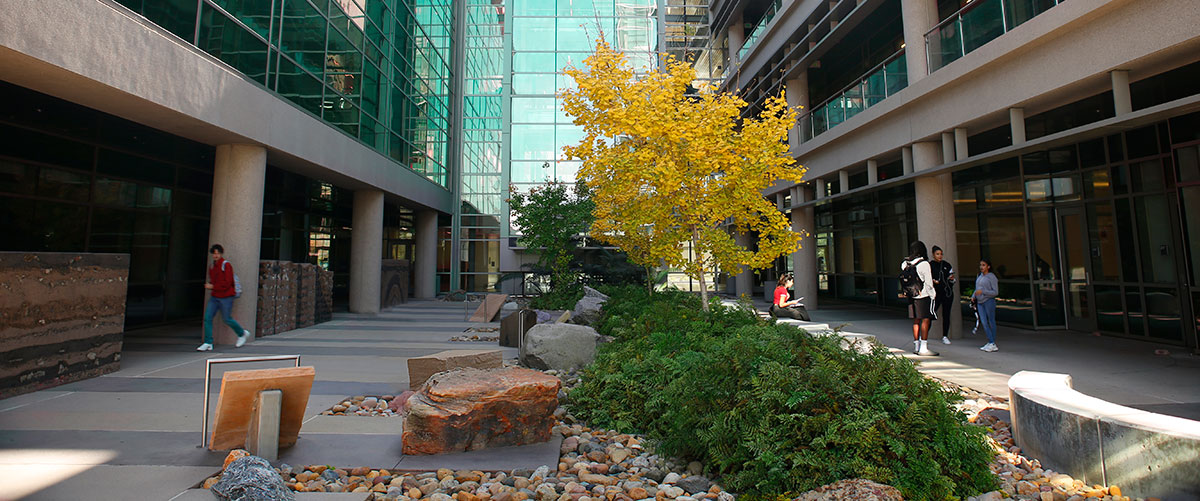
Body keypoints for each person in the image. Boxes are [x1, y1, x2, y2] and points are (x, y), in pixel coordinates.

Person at [197, 244, 251, 351]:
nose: (216, 255)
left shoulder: (226, 265)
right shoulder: (212, 266)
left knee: (227, 318)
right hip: (215, 296)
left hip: (226, 296)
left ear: (221, 254)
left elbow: (227, 283)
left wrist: (212, 286)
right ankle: (208, 342)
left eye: (218, 253)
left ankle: (242, 333)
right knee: (207, 318)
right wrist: (212, 286)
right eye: (214, 253)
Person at [901, 241, 938, 356]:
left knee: (916, 320)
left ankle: (916, 345)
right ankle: (924, 347)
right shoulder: (924, 264)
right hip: (923, 295)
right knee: (925, 319)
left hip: (911, 294)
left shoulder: (905, 263)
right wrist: (933, 295)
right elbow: (928, 282)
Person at [930, 245, 956, 345]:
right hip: (936, 294)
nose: (940, 256)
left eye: (941, 254)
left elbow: (952, 279)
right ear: (933, 255)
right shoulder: (930, 265)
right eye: (937, 254)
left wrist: (951, 279)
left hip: (947, 293)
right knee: (931, 313)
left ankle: (945, 335)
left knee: (946, 314)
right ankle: (923, 335)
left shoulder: (947, 265)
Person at [973, 259, 999, 352]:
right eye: (980, 265)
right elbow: (977, 288)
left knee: (991, 320)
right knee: (983, 322)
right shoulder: (979, 276)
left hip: (988, 301)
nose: (981, 267)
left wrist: (983, 292)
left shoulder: (991, 277)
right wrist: (973, 296)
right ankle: (990, 341)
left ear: (988, 266)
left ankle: (992, 342)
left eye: (983, 265)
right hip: (980, 302)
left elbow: (995, 292)